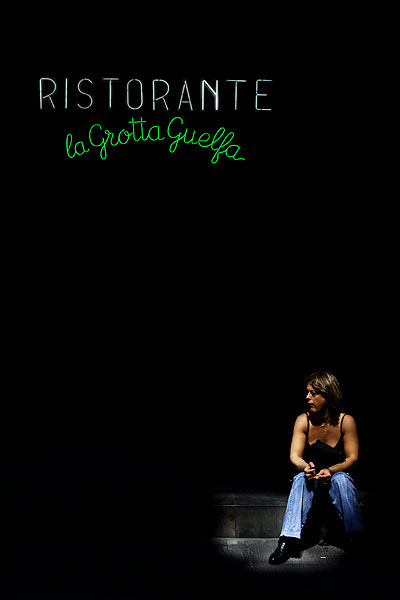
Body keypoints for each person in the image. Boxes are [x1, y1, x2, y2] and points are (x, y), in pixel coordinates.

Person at [269, 370, 364, 565]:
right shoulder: (303, 420)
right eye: (307, 392)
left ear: (327, 395)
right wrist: (306, 467)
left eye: (313, 393)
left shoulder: (346, 421)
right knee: (299, 478)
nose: (307, 397)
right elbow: (294, 456)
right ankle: (287, 541)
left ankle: (356, 539)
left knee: (342, 479)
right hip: (311, 480)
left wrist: (331, 470)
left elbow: (352, 459)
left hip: (336, 478)